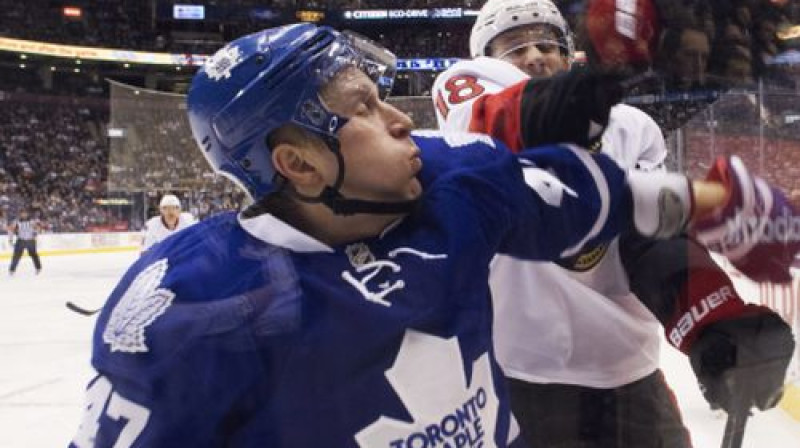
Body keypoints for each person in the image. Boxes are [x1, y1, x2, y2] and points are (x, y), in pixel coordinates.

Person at [68, 23, 753, 448]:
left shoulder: (450, 185)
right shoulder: (192, 308)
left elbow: (599, 199)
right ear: (299, 163)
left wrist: (730, 199)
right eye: (364, 108)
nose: (400, 119)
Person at [432, 1, 796, 446]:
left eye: (547, 43)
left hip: (628, 372)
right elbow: (502, 122)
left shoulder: (630, 127)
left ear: (569, 55)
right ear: (485, 61)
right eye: (514, 47)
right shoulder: (467, 104)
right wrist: (611, 75)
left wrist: (709, 316)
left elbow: (647, 238)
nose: (533, 55)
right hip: (517, 377)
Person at [7, 209, 42, 275]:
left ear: (27, 214)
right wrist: (10, 239)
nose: (24, 215)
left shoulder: (32, 221)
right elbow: (10, 230)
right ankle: (12, 270)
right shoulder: (16, 222)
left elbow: (38, 228)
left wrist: (36, 233)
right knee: (16, 256)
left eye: (25, 213)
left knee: (34, 254)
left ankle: (38, 268)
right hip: (21, 240)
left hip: (30, 240)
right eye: (22, 213)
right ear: (20, 214)